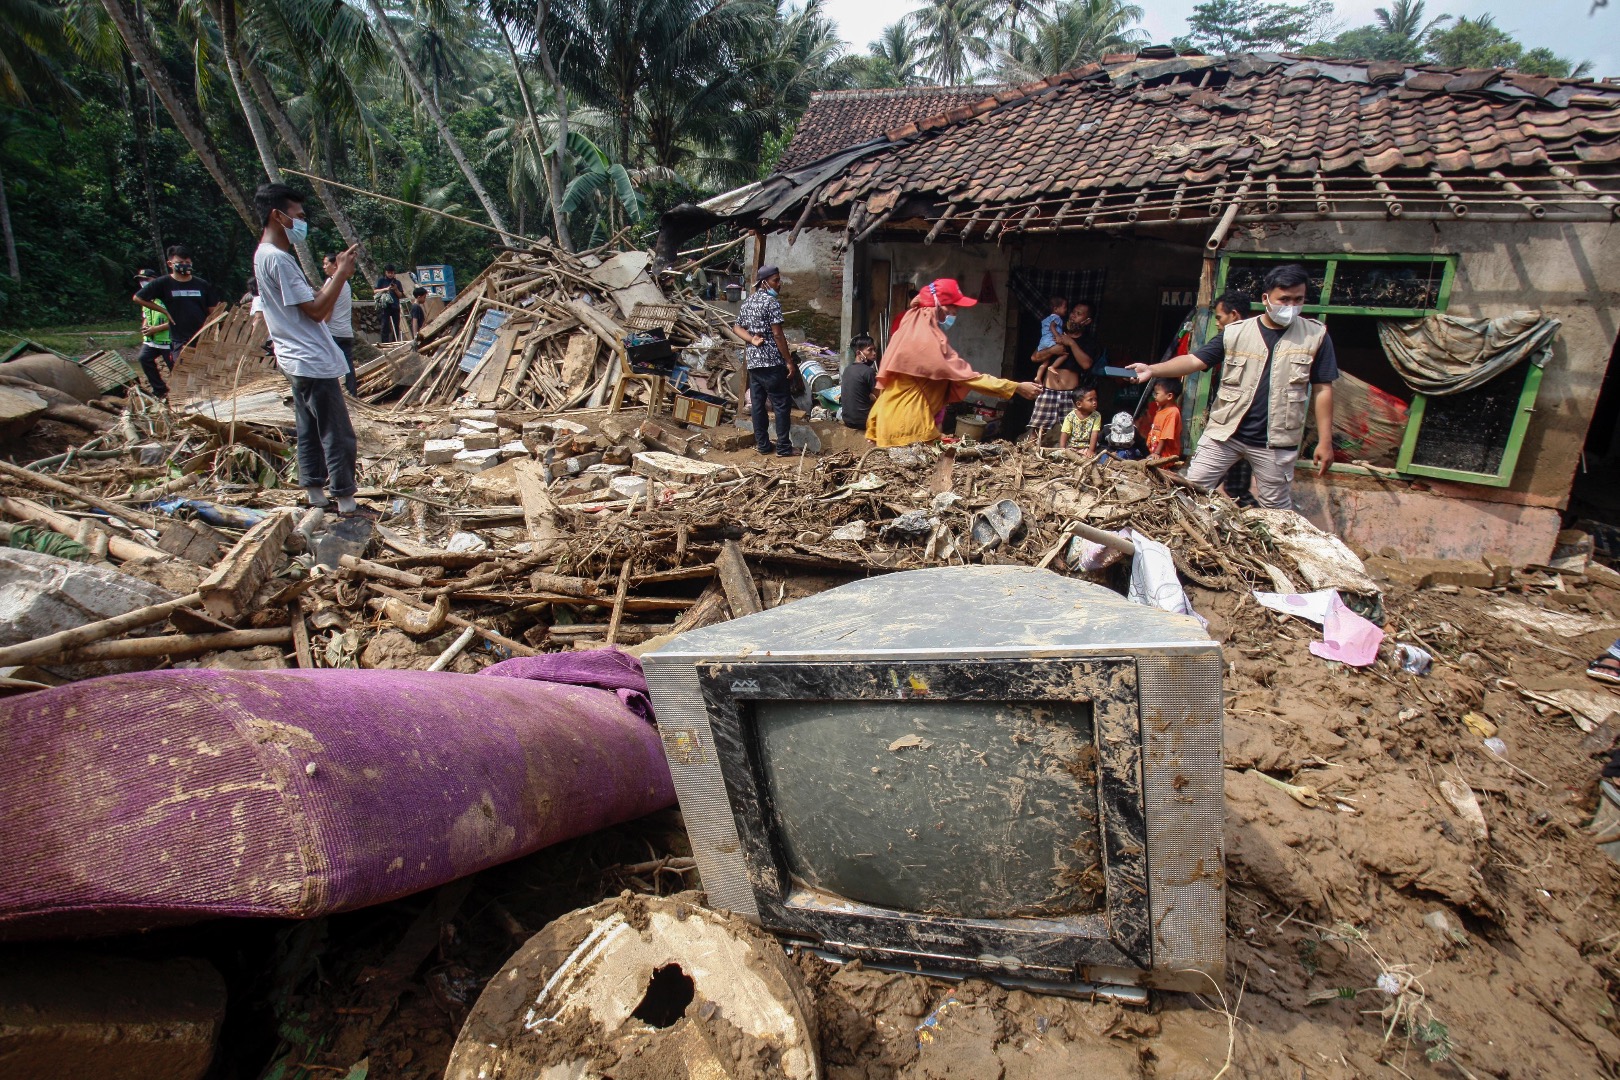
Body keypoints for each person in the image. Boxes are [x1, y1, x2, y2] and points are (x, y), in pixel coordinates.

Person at [1128, 264, 1337, 510]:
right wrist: (1153, 369)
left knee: (1277, 510)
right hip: (1225, 434)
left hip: (1276, 441)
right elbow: (1194, 360)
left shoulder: (1315, 336)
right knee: (1187, 494)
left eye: (1298, 299)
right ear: (1266, 298)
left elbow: (1323, 389)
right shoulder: (1236, 333)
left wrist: (1325, 441)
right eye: (1284, 299)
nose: (1291, 306)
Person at [252, 182, 364, 516]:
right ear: (278, 216)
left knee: (309, 428)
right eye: (298, 215)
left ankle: (315, 491)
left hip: (294, 357)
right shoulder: (280, 261)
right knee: (337, 432)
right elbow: (316, 311)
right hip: (310, 359)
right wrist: (341, 275)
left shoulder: (264, 255)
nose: (303, 221)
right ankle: (345, 500)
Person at [866, 278, 1040, 448]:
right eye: (953, 306)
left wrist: (873, 424)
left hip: (887, 422)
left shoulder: (907, 330)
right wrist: (1017, 387)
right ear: (938, 305)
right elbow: (971, 379)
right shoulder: (927, 341)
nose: (956, 312)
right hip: (909, 428)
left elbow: (891, 388)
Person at [730, 264, 797, 456]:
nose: (779, 284)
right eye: (776, 280)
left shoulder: (749, 302)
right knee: (781, 404)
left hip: (754, 363)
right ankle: (783, 447)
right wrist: (789, 361)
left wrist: (751, 339)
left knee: (758, 405)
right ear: (765, 283)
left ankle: (763, 445)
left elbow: (736, 327)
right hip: (772, 363)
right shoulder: (771, 303)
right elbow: (777, 334)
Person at [1027, 301, 1101, 443]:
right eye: (1073, 312)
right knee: (1036, 430)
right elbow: (1034, 357)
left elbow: (1086, 364)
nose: (1073, 316)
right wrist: (1052, 350)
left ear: (1087, 321)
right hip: (1047, 392)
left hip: (1071, 394)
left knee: (1074, 431)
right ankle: (1028, 457)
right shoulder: (1054, 335)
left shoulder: (1087, 341)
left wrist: (1071, 343)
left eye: (1079, 314)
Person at [133, 245, 224, 358]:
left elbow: (213, 311)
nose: (185, 264)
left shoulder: (202, 284)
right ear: (170, 264)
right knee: (181, 369)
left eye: (187, 262)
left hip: (202, 336)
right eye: (180, 262)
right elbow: (138, 298)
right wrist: (164, 311)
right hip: (179, 339)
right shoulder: (163, 283)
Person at [1210, 291, 1256, 505]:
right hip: (1243, 428)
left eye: (1219, 318)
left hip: (1233, 428)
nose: (1217, 324)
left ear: (1234, 315)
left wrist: (1152, 370)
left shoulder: (1232, 337)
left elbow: (1195, 360)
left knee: (1200, 485)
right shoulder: (1257, 338)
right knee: (1235, 488)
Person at [132, 268, 173, 399]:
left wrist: (156, 329)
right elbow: (145, 316)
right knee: (144, 359)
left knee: (175, 367)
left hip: (168, 340)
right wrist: (145, 327)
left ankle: (182, 391)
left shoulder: (167, 297)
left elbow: (176, 321)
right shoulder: (146, 298)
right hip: (152, 340)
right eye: (141, 280)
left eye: (146, 279)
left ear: (155, 280)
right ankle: (159, 389)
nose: (143, 283)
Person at [322, 253, 357, 395]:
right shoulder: (343, 283)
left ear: (335, 264)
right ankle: (352, 394)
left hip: (333, 332)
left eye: (326, 264)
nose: (324, 267)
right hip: (345, 331)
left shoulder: (334, 282)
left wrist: (319, 325)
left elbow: (328, 309)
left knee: (331, 366)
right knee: (348, 366)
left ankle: (338, 395)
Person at [841, 333, 879, 431]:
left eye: (874, 350)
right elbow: (880, 397)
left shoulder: (847, 370)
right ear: (858, 353)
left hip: (847, 420)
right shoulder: (868, 372)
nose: (874, 353)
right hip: (863, 421)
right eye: (870, 350)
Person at [1147, 378, 1183, 460]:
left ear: (1169, 396)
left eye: (1156, 394)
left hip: (1165, 456)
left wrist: (1157, 453)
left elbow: (1165, 436)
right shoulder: (1160, 410)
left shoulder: (1172, 412)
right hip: (1155, 453)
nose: (1154, 397)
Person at [1058, 386, 1101, 453]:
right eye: (1090, 400)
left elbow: (1094, 433)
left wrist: (1091, 450)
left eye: (1095, 399)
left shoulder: (1096, 416)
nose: (1094, 402)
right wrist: (1062, 450)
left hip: (1086, 447)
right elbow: (1065, 433)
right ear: (1079, 404)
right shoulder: (1070, 416)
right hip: (1071, 447)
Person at [375, 265, 404, 343]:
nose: (390, 274)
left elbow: (400, 295)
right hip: (385, 306)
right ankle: (385, 342)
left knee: (396, 326)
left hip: (395, 306)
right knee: (385, 325)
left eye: (392, 273)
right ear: (385, 272)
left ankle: (395, 341)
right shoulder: (381, 281)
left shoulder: (397, 282)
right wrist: (386, 289)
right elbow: (375, 291)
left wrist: (396, 289)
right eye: (388, 273)